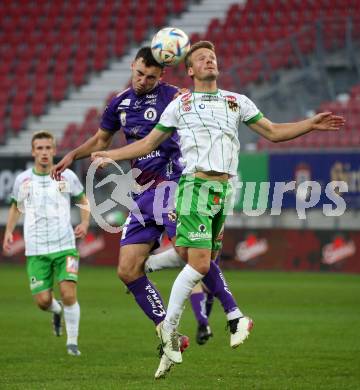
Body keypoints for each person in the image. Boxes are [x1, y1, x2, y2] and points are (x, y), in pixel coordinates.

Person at [90, 40, 345, 373]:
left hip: (224, 192)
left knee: (196, 257)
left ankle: (155, 275)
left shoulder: (236, 101)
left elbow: (273, 132)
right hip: (194, 186)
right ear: (191, 70)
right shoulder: (180, 104)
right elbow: (148, 143)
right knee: (198, 263)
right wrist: (110, 154)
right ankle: (213, 321)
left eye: (212, 57)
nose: (209, 61)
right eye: (201, 58)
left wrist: (309, 124)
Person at [52, 47, 236, 378]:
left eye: (151, 76)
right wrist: (72, 156)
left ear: (161, 75)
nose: (143, 81)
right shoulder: (119, 103)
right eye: (140, 74)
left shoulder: (174, 96)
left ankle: (232, 311)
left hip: (173, 183)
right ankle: (168, 331)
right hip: (140, 191)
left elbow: (197, 108)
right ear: (133, 67)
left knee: (187, 251)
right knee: (127, 270)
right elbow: (100, 138)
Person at [2, 131, 89, 356]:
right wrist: (9, 231)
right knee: (42, 301)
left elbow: (82, 199)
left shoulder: (67, 176)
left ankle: (72, 343)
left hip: (65, 245)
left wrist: (85, 223)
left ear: (54, 150)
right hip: (37, 248)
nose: (44, 152)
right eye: (39, 148)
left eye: (48, 148)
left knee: (69, 293)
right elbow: (16, 206)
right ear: (33, 152)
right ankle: (56, 310)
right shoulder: (23, 179)